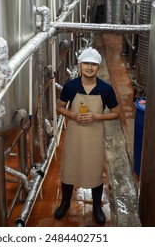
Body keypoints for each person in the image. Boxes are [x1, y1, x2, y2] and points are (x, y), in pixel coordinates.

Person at [54, 47, 120, 225]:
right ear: (80, 65)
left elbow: (116, 112)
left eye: (93, 64)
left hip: (94, 135)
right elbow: (59, 107)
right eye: (86, 63)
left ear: (98, 67)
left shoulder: (105, 89)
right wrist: (73, 115)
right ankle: (65, 202)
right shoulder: (71, 86)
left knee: (95, 169)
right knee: (69, 167)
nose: (90, 67)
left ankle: (97, 206)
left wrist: (97, 116)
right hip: (75, 134)